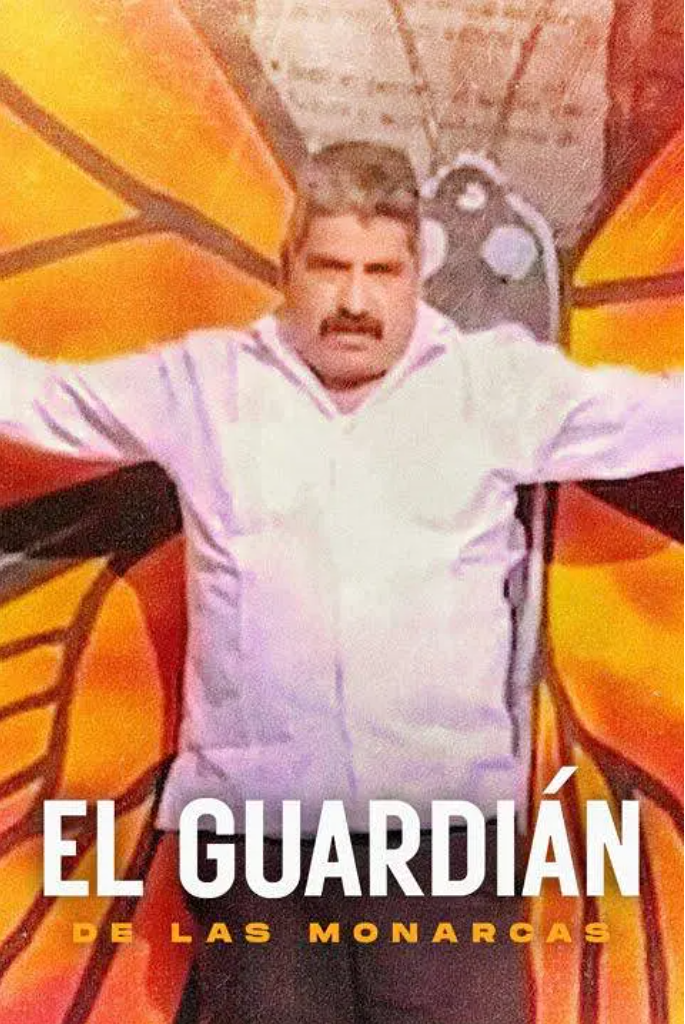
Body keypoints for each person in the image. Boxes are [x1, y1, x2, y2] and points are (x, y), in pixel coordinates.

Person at [0, 141, 682, 1024]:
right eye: (329, 268)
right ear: (288, 266)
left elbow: (661, 417)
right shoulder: (205, 386)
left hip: (438, 836)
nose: (354, 301)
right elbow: (35, 399)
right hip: (256, 839)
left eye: (380, 271)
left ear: (416, 273)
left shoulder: (492, 388)